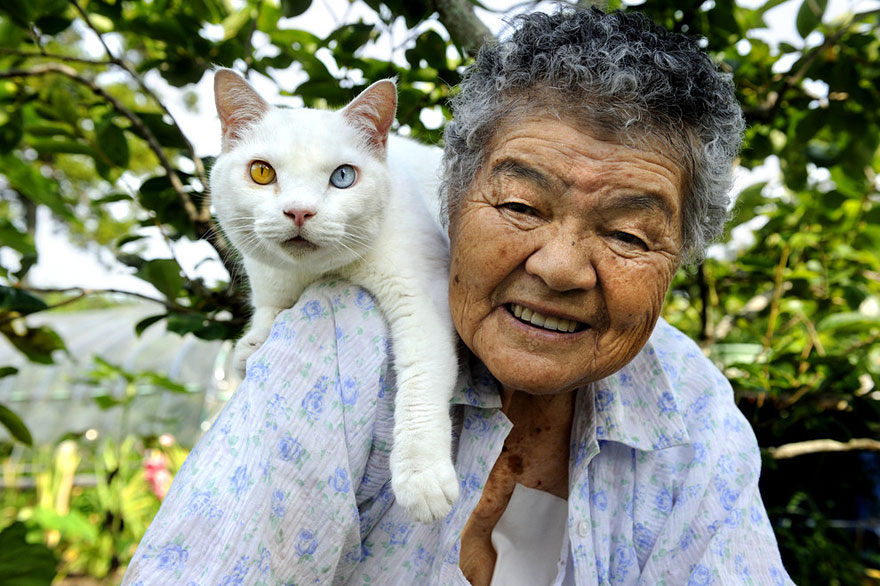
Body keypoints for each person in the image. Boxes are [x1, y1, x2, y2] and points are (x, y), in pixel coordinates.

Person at [122, 7, 794, 585]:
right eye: (522, 205)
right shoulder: (334, 348)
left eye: (625, 232)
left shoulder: (689, 409)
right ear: (450, 198)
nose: (560, 269)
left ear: (682, 255)